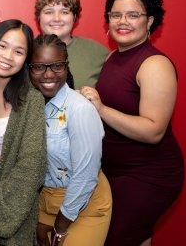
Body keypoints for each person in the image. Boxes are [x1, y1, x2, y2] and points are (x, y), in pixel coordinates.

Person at [80, 0, 184, 246]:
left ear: (150, 21)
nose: (122, 21)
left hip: (148, 175)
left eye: (132, 15)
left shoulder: (154, 64)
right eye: (115, 15)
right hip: (113, 172)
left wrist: (101, 109)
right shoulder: (113, 56)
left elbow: (153, 131)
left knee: (116, 237)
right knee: (136, 237)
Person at [29, 34, 112, 246]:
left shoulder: (80, 109)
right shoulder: (29, 107)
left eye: (57, 66)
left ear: (66, 67)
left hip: (84, 202)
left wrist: (60, 227)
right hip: (46, 201)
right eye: (39, 67)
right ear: (29, 69)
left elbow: (85, 177)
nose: (48, 74)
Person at [0, 19, 47, 245]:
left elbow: (32, 165)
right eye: (3, 46)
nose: (8, 56)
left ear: (26, 59)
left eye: (19, 51)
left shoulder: (31, 100)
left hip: (11, 194)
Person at [35, 0, 108, 89]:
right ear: (39, 17)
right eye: (49, 12)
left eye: (64, 12)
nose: (56, 18)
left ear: (74, 17)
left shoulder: (98, 52)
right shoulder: (24, 52)